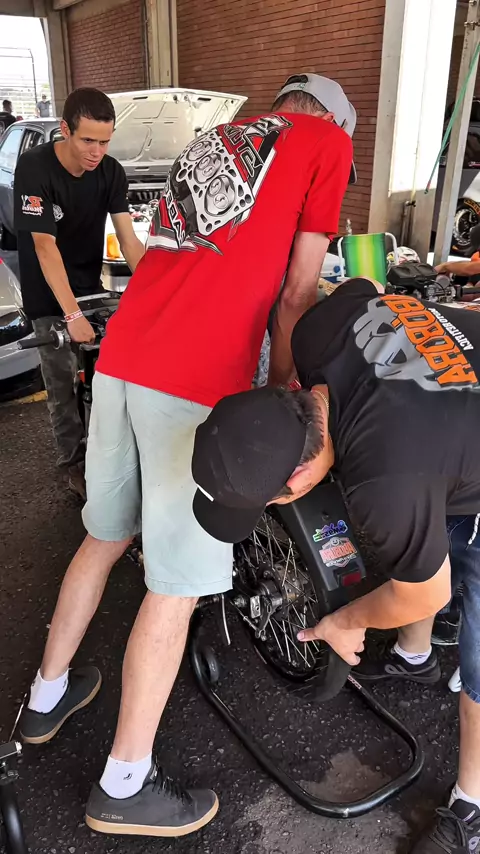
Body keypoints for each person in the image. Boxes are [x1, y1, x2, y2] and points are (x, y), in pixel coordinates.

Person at [18, 73, 356, 838]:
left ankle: (45, 696)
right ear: (333, 122)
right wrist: (281, 399)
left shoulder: (219, 138)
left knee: (104, 537)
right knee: (174, 589)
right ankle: (124, 783)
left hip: (124, 358)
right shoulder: (326, 143)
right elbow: (297, 292)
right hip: (192, 381)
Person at [191, 277, 480, 854]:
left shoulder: (384, 481)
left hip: (448, 437)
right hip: (449, 426)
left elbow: (424, 594)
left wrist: (344, 622)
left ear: (298, 478)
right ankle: (414, 657)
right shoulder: (315, 334)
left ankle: (471, 807)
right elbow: (361, 284)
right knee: (422, 537)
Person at [13, 87, 145, 499]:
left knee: (112, 376)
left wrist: (154, 291)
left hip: (90, 285)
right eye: (88, 140)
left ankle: (111, 454)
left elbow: (128, 239)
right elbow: (44, 246)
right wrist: (70, 316)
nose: (96, 152)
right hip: (48, 293)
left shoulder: (111, 172)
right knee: (62, 382)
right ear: (65, 130)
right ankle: (72, 463)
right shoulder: (35, 167)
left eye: (105, 142)